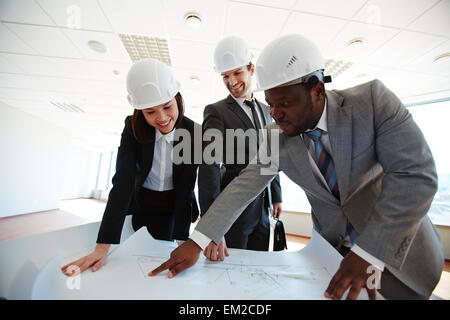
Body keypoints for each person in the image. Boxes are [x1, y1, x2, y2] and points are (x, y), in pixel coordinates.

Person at [150, 34, 445, 300]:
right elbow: (242, 187)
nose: (275, 114)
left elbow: (415, 176)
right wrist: (199, 239)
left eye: (285, 104)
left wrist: (367, 252)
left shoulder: (372, 103)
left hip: (401, 254)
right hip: (334, 257)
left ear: (317, 91)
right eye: (270, 104)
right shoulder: (276, 136)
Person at [61, 58, 200, 276]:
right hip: (142, 200)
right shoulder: (133, 127)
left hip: (175, 204)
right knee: (134, 257)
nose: (162, 118)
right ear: (140, 112)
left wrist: (183, 240)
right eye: (150, 112)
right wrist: (103, 245)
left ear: (178, 99)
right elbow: (123, 181)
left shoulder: (194, 132)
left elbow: (185, 189)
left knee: (165, 252)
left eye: (167, 107)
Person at [198, 36, 282, 258]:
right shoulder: (215, 111)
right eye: (225, 76)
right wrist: (211, 226)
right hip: (232, 208)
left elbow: (273, 156)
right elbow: (209, 168)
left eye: (237, 73)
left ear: (251, 69)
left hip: (263, 208)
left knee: (258, 265)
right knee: (231, 270)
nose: (231, 81)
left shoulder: (267, 110)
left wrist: (277, 196)